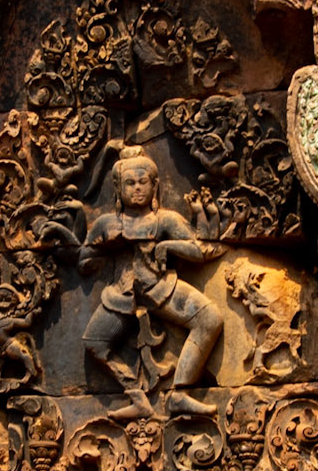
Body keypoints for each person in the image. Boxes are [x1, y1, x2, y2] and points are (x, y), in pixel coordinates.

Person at [78, 148, 222, 417]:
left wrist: (167, 245)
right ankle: (137, 397)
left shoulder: (164, 220)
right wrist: (102, 246)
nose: (136, 189)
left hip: (160, 288)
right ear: (118, 188)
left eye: (143, 182)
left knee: (210, 318)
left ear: (155, 185)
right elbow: (85, 262)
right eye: (129, 183)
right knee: (94, 342)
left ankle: (180, 393)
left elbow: (198, 250)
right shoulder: (106, 223)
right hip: (121, 295)